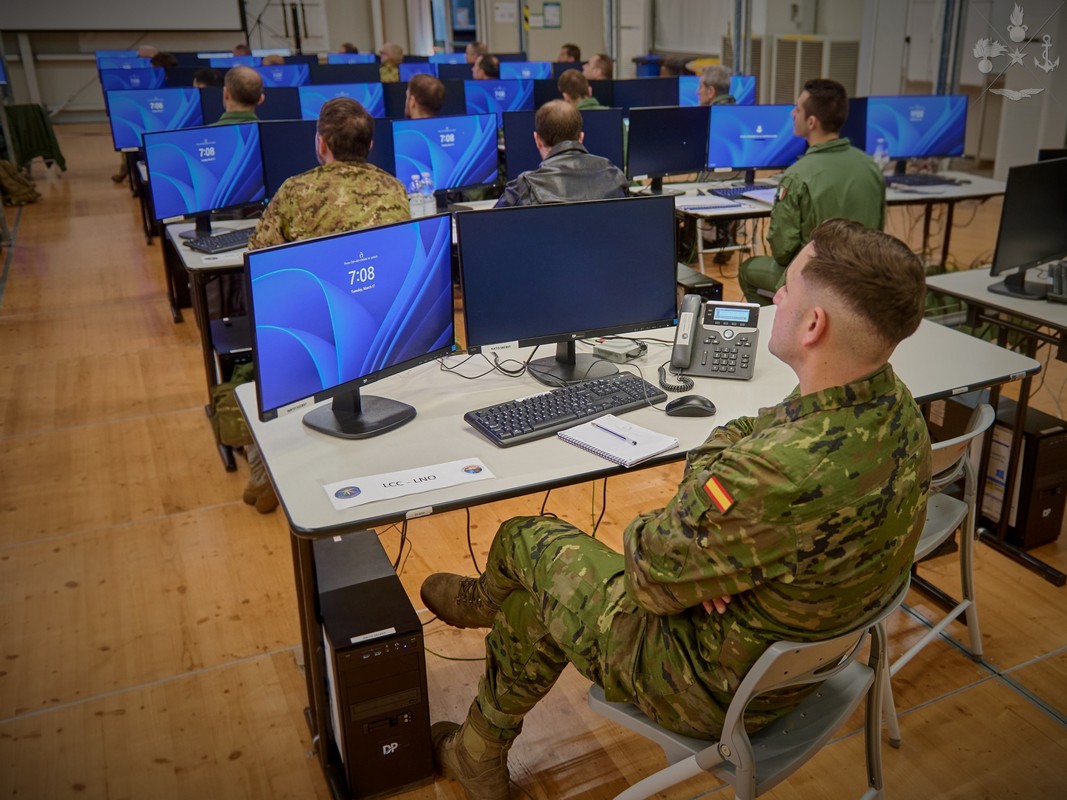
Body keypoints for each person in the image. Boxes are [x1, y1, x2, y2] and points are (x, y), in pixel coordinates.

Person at [421, 217, 933, 799]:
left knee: (525, 536)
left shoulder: (772, 474)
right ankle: (476, 751)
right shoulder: (895, 410)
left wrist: (700, 531)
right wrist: (714, 556)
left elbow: (648, 574)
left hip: (705, 685)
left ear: (814, 324)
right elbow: (751, 431)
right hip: (802, 668)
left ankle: (482, 601)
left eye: (787, 287)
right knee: (538, 602)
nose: (774, 296)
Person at [242, 98, 410, 512]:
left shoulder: (295, 191)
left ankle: (264, 473)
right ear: (370, 144)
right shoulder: (395, 188)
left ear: (321, 144)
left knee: (251, 365)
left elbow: (257, 263)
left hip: (315, 329)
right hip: (384, 327)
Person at [737, 78, 885, 305]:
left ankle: (783, 322)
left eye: (797, 109)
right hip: (862, 279)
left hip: (816, 279)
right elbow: (879, 231)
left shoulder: (797, 175)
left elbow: (782, 250)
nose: (792, 114)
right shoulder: (871, 167)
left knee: (747, 270)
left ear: (812, 122)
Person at [495, 100, 627, 207]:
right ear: (581, 138)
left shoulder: (524, 187)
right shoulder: (614, 176)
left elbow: (493, 226)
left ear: (537, 140)